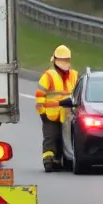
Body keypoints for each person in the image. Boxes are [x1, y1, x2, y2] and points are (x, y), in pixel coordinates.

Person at [35, 44, 79, 172]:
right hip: (50, 114)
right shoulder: (48, 76)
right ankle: (48, 160)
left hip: (67, 115)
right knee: (51, 137)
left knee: (64, 139)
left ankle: (59, 161)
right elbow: (40, 96)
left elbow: (77, 94)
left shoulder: (74, 75)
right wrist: (42, 112)